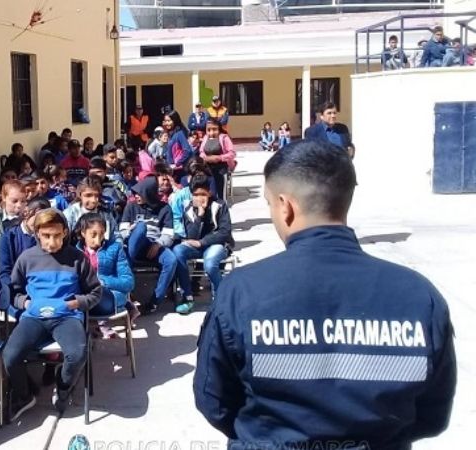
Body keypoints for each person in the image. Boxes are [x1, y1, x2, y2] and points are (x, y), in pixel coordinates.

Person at [193, 140, 456, 449]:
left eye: (268, 205)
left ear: (285, 206)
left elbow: (215, 402)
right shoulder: (419, 297)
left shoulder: (240, 292)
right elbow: (432, 415)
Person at [2, 208, 102, 421]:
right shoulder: (27, 258)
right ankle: (24, 395)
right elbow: (13, 291)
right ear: (37, 233)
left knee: (77, 353)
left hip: (66, 317)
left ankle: (64, 388)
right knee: (9, 356)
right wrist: (25, 303)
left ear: (65, 232)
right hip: (34, 317)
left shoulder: (77, 258)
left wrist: (77, 303)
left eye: (57, 235)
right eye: (46, 236)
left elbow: (96, 292)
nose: (52, 241)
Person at [172, 173, 233, 315]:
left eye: (203, 194)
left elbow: (225, 232)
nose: (199, 198)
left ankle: (219, 298)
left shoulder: (220, 205)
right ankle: (188, 296)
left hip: (216, 245)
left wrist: (202, 242)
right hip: (197, 246)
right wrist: (200, 215)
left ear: (209, 192)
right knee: (178, 252)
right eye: (196, 194)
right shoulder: (188, 208)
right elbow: (190, 236)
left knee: (210, 264)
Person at [119, 176, 176, 314]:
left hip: (154, 245)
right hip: (134, 243)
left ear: (149, 193)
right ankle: (129, 297)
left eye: (140, 193)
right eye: (136, 193)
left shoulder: (164, 208)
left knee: (171, 260)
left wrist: (158, 244)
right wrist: (131, 229)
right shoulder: (131, 207)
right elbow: (122, 231)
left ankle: (155, 300)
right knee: (141, 227)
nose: (137, 196)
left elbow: (169, 234)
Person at [76, 213, 137, 325]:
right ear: (83, 233)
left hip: (108, 297)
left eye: (102, 234)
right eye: (93, 235)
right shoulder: (75, 252)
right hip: (82, 300)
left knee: (96, 291)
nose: (98, 240)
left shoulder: (115, 249)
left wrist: (102, 281)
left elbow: (128, 282)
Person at [0, 197, 48, 317]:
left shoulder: (46, 239)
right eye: (37, 216)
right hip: (16, 290)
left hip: (41, 289)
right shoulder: (9, 237)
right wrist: (17, 294)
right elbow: (5, 271)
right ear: (27, 213)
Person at [0, 180, 26, 268]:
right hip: (3, 269)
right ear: (4, 197)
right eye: (14, 201)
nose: (19, 205)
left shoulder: (27, 220)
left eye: (23, 201)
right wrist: (4, 258)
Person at [198, 120, 237, 201]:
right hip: (208, 169)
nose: (211, 133)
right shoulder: (205, 138)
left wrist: (219, 158)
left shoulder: (224, 138)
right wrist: (206, 158)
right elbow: (201, 151)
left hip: (221, 169)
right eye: (208, 130)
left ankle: (222, 209)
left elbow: (232, 153)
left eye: (214, 129)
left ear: (219, 129)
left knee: (221, 194)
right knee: (211, 192)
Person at [163, 111, 194, 178]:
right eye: (165, 121)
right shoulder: (171, 134)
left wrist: (177, 164)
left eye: (169, 121)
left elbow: (187, 150)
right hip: (172, 171)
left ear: (175, 120)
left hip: (180, 172)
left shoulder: (179, 134)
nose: (167, 123)